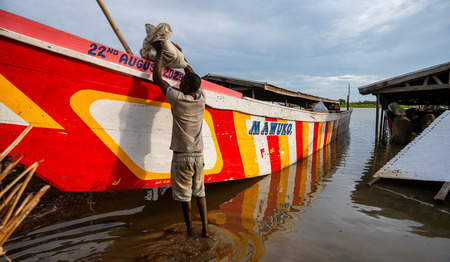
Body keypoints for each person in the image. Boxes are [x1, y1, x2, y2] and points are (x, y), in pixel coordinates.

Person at [152, 41, 209, 238]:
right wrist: (183, 61)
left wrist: (160, 53)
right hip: (198, 156)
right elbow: (193, 77)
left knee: (185, 197)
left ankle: (189, 230)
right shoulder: (201, 99)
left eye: (181, 84)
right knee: (200, 193)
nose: (178, 84)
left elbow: (157, 77)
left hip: (181, 158)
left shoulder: (176, 98)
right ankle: (206, 229)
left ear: (183, 87)